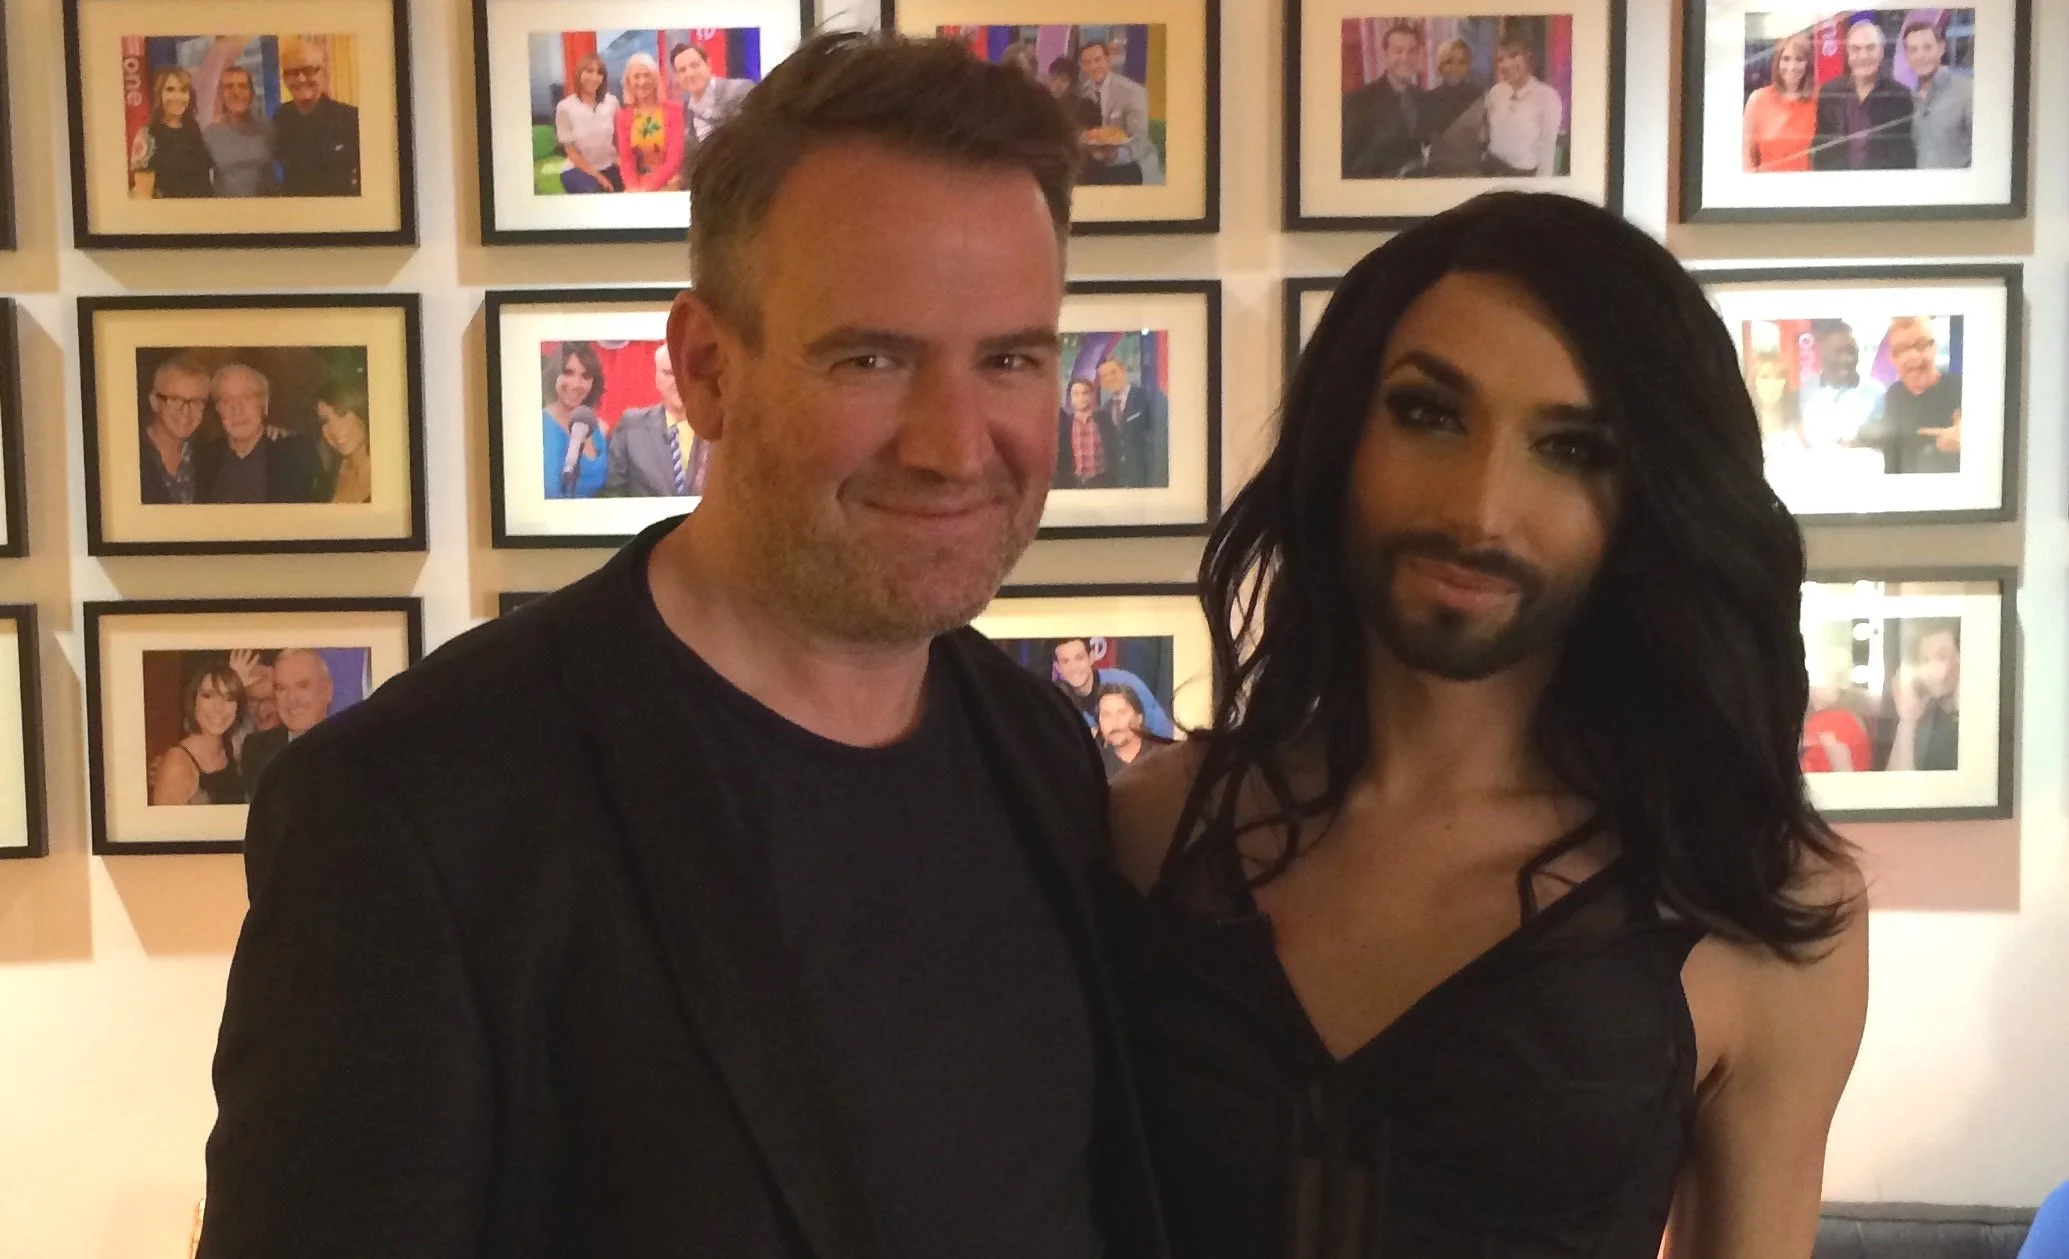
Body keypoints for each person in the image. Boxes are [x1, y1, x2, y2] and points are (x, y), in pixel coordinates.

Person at [195, 33, 1164, 1259]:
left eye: (1009, 358)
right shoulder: (411, 814)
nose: (954, 445)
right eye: (870, 357)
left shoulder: (1035, 748)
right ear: (705, 370)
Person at [1106, 192, 1867, 1258]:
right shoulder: (1151, 827)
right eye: (1428, 414)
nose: (1478, 509)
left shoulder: (1755, 896)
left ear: (1649, 497)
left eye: (1571, 449)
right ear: (1341, 431)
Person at [195, 364, 325, 504]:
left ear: (264, 404)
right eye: (227, 401)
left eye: (247, 398)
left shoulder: (295, 455)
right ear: (218, 409)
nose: (237, 410)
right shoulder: (202, 460)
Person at [150, 654, 262, 806]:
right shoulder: (177, 766)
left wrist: (234, 681)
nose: (218, 708)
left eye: (228, 698)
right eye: (208, 695)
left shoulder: (229, 748)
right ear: (193, 700)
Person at [1860, 316, 1961, 475]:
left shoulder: (1961, 388)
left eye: (1921, 345)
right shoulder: (1894, 394)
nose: (1913, 356)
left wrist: (1968, 441)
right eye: (1902, 349)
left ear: (1934, 348)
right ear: (1893, 358)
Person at [1813, 19, 1917, 171]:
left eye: (1870, 48)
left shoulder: (1899, 96)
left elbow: (1904, 154)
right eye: (1856, 49)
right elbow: (1821, 150)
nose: (1863, 56)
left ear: (1881, 52)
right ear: (1848, 54)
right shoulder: (1830, 93)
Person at [605, 343, 707, 498]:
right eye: (671, 373)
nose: (679, 382)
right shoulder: (632, 426)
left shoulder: (717, 430)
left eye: (687, 373)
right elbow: (613, 494)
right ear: (658, 379)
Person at [236, 649, 336, 789]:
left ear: (328, 691)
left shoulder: (355, 749)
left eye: (303, 686)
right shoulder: (255, 749)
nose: (292, 698)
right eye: (281, 688)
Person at [273, 39, 361, 196]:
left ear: (324, 74)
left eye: (308, 70)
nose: (300, 79)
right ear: (284, 79)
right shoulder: (280, 118)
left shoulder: (351, 118)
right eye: (292, 72)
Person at [1341, 23, 1425, 180]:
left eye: (1412, 51)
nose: (1405, 58)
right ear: (1385, 55)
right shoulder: (1359, 101)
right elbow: (1348, 165)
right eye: (1398, 51)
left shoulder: (1422, 97)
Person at [1051, 636, 1174, 739]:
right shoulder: (1057, 700)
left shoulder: (1126, 682)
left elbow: (1163, 732)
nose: (1074, 667)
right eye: (1066, 661)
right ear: (1058, 667)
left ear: (1091, 658)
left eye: (1079, 658)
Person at [1079, 39, 1158, 185]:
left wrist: (1113, 156)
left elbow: (1139, 140)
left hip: (1127, 164)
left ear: (1108, 60)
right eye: (1087, 63)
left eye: (1097, 60)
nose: (1093, 67)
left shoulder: (1132, 92)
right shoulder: (1082, 93)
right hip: (1093, 165)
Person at [1796, 323, 1886, 451]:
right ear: (1823, 353)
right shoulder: (1807, 390)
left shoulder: (1877, 393)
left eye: (1852, 351)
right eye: (1838, 352)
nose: (1847, 359)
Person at [130, 66, 216, 198]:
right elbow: (143, 195)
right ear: (159, 94)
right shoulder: (147, 136)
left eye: (183, 90)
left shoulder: (193, 130)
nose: (177, 97)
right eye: (170, 90)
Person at [1882, 626, 1959, 772]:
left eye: (1942, 657)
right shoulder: (1925, 710)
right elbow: (1896, 779)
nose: (1931, 669)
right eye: (1925, 660)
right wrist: (1907, 721)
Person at [1483, 37, 1563, 177]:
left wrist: (1542, 185)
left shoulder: (1547, 96)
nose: (1506, 64)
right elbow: (1488, 132)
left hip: (1522, 175)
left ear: (1527, 57)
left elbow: (1547, 147)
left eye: (1513, 56)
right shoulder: (1495, 92)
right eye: (1500, 59)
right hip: (1491, 169)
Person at [542, 341, 609, 499]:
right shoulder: (538, 426)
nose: (576, 384)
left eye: (585, 376)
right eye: (568, 372)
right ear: (555, 374)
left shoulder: (599, 429)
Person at [1903, 20, 1973, 170]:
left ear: (1941, 48)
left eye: (1927, 47)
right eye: (1913, 50)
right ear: (1907, 56)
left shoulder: (1966, 91)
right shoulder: (1907, 99)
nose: (1920, 55)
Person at [141, 355, 211, 505]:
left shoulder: (209, 458)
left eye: (196, 402)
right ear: (154, 402)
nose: (186, 412)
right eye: (175, 400)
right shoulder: (130, 456)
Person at [1742, 32, 1815, 172]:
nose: (1792, 67)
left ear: (1808, 64)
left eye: (1799, 59)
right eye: (1786, 59)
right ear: (1777, 62)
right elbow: (1748, 159)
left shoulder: (1818, 102)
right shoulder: (1757, 100)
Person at [615, 53, 687, 193]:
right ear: (629, 81)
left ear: (655, 79)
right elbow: (626, 159)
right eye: (636, 77)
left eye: (647, 75)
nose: (642, 82)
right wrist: (634, 188)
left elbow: (675, 157)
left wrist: (649, 189)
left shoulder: (675, 110)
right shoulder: (623, 116)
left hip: (669, 183)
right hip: (638, 186)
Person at [203, 64, 278, 197]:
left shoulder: (268, 129)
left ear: (252, 93)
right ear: (221, 94)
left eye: (243, 86)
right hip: (226, 208)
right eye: (229, 86)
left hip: (266, 206)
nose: (236, 92)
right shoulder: (209, 135)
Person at [1419, 38, 1489, 178]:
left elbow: (1487, 140)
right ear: (1440, 66)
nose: (1455, 68)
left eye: (1461, 62)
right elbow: (1423, 142)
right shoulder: (1428, 99)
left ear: (1468, 66)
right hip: (1437, 175)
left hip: (1471, 174)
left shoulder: (1481, 97)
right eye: (1449, 61)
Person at [555, 53, 623, 194]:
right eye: (589, 71)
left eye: (599, 73)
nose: (594, 77)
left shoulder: (612, 102)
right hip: (578, 168)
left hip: (609, 164)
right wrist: (598, 177)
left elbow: (620, 139)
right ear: (580, 73)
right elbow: (572, 153)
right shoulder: (565, 107)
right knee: (593, 192)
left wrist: (623, 162)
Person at [1097, 355, 1168, 488]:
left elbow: (1160, 441)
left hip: (1145, 482)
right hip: (1118, 484)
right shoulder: (1105, 410)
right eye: (1104, 376)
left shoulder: (1147, 398)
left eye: (1113, 372)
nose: (1110, 378)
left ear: (1123, 371)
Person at [672, 42, 754, 146]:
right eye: (682, 70)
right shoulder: (687, 109)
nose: (689, 74)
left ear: (708, 64)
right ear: (677, 77)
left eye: (694, 65)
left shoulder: (739, 90)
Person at [1096, 683, 1171, 781]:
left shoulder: (1163, 757)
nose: (1114, 721)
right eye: (1106, 715)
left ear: (1139, 718)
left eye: (1121, 713)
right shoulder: (1095, 764)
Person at [1055, 376, 1119, 489]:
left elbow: (1115, 452)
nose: (1081, 398)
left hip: (1102, 483)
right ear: (1070, 397)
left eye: (1085, 393)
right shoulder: (1064, 424)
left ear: (1092, 395)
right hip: (1074, 485)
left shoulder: (1104, 420)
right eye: (1076, 394)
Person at [316, 382, 373, 504]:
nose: (333, 428)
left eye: (341, 413)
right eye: (324, 421)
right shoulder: (332, 472)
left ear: (362, 412)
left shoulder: (390, 472)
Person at [1800, 675, 1871, 774]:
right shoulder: (1854, 717)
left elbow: (1842, 766)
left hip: (1828, 781)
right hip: (1860, 780)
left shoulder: (1821, 722)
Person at [1746, 350, 1805, 455]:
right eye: (1764, 376)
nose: (1771, 383)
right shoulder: (1743, 421)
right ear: (1754, 381)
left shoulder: (1798, 420)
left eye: (1779, 376)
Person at [1047, 56, 1103, 130]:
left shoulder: (1085, 107)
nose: (1056, 85)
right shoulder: (1045, 106)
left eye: (1064, 80)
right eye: (1053, 79)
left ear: (1073, 84)